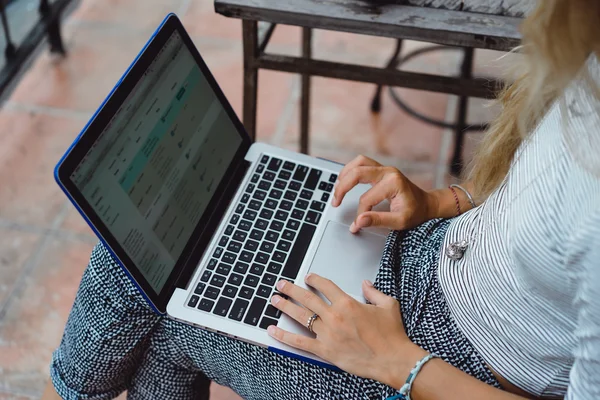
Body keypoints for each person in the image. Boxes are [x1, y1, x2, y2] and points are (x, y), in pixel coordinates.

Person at [44, 0, 600, 399]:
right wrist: (440, 201)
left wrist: (396, 362)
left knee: (151, 286)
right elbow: (546, 187)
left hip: (443, 357)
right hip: (439, 253)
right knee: (166, 258)